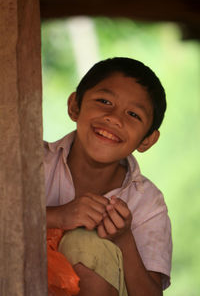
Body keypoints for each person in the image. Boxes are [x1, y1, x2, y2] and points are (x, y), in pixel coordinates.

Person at [44, 57, 172, 296]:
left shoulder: (147, 203)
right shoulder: (31, 162)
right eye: (104, 101)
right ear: (75, 106)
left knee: (85, 243)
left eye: (133, 115)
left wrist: (124, 240)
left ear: (147, 140)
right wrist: (57, 216)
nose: (114, 118)